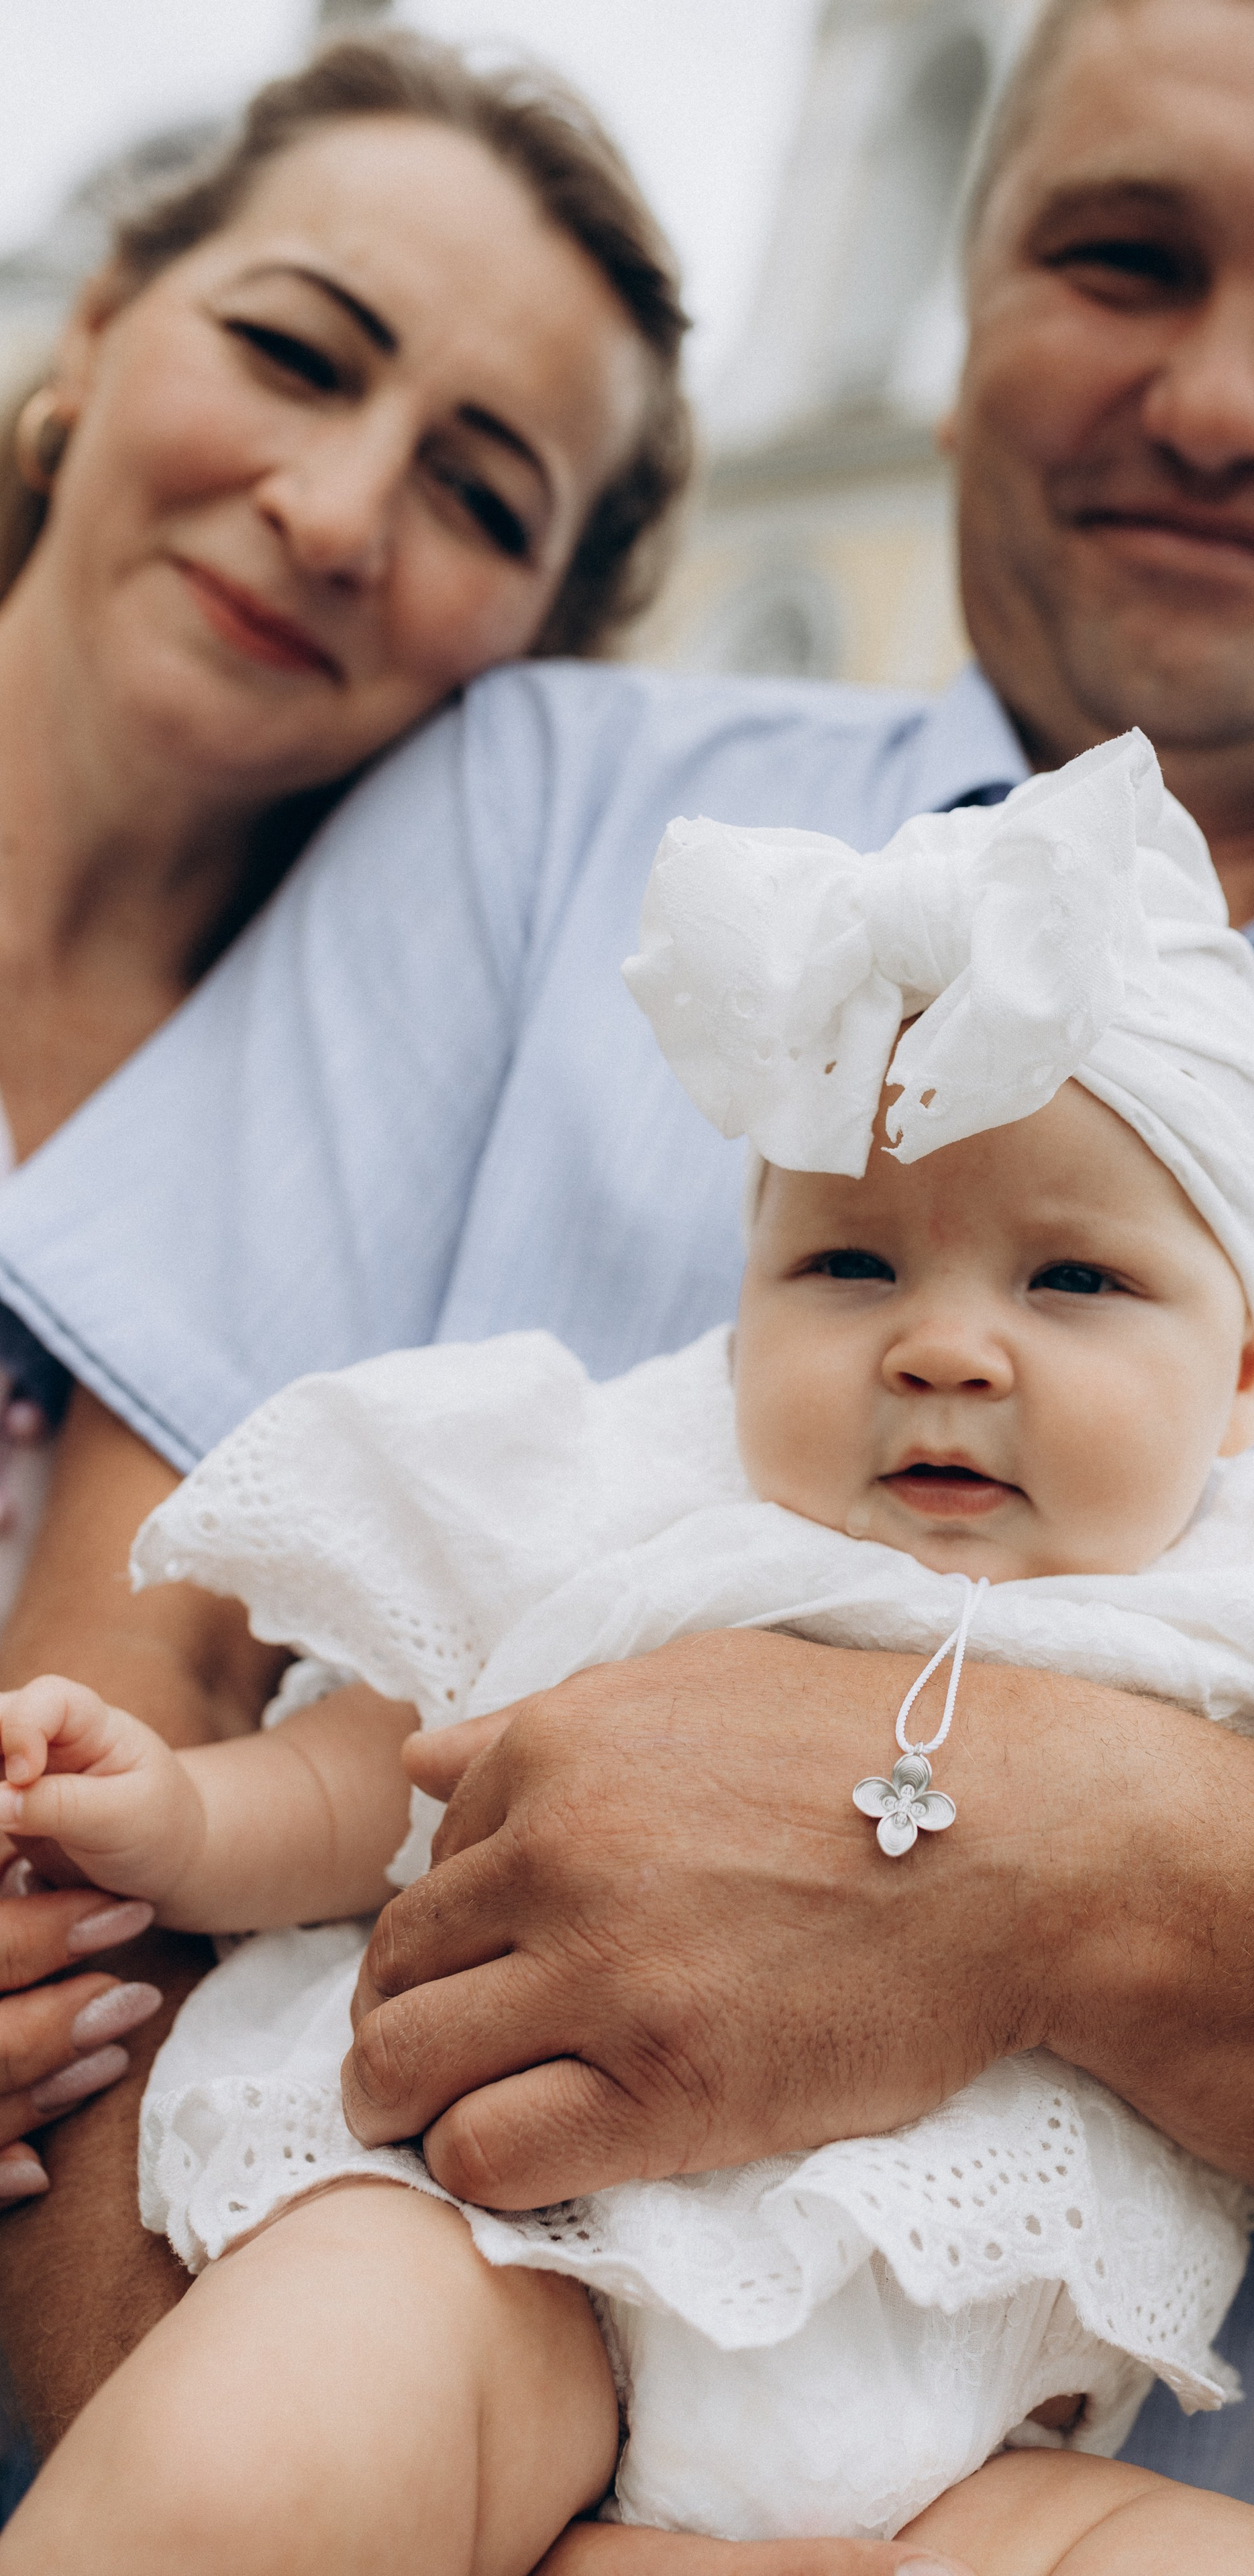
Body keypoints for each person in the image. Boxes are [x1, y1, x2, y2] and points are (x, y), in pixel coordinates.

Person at [1, 3, 1254, 2571]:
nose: (1227, 403)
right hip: (456, 2311)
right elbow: (168, 1716)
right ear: (965, 298)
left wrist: (1053, 1847)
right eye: (1122, 257)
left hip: (1027, 2465)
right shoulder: (538, 807)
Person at [0, 23, 690, 2198]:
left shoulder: (417, 1182)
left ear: (546, 649)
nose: (329, 513)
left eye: (479, 497)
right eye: (297, 354)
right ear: (99, 328)